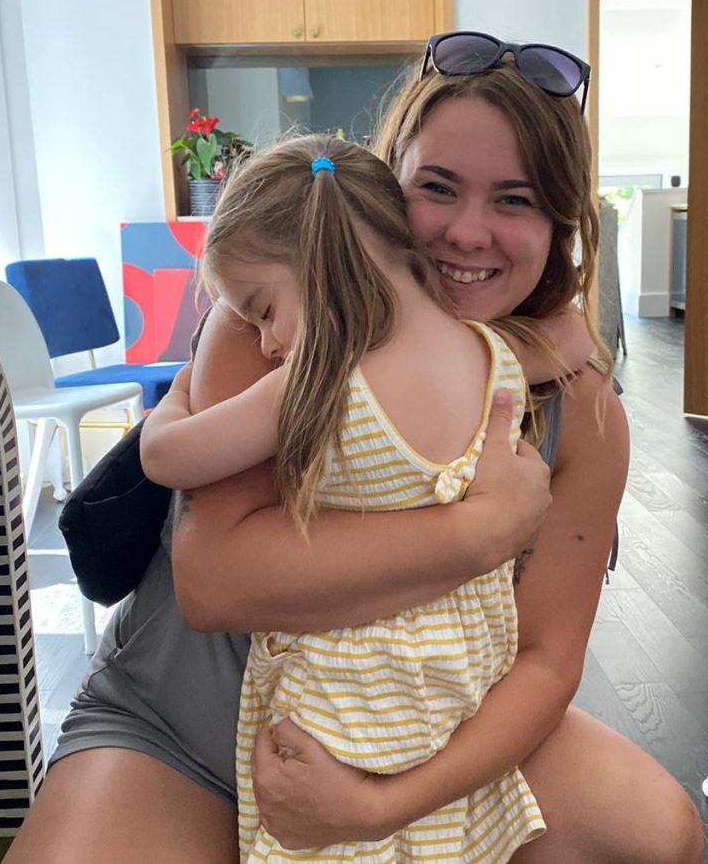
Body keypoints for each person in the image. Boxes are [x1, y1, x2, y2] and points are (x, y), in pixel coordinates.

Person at [5, 31, 704, 864]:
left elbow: (547, 664)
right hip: (186, 727)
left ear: (560, 223)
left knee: (655, 836)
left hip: (414, 734)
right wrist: (479, 533)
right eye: (436, 187)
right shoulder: (275, 318)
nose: (467, 234)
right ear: (380, 185)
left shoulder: (577, 410)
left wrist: (381, 806)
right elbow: (213, 581)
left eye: (514, 200)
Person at [141, 133, 569, 862]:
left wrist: (179, 391)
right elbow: (575, 338)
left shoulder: (317, 382)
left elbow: (166, 459)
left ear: (321, 269)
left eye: (264, 308)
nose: (268, 341)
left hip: (345, 701)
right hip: (451, 694)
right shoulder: (490, 356)